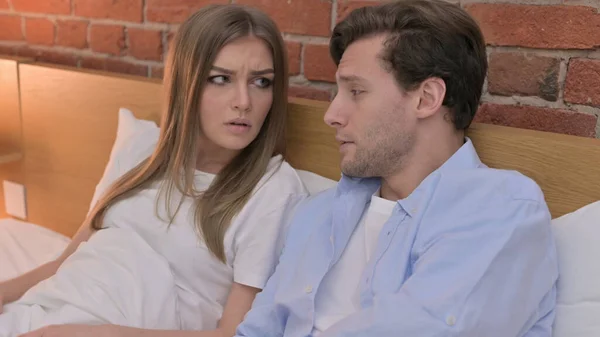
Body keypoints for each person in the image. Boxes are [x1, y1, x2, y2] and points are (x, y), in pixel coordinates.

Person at [234, 1, 559, 336]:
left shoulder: (502, 210)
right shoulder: (317, 214)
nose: (331, 114)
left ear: (427, 97)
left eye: (356, 91)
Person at [0, 4, 308, 337]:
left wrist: (90, 333)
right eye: (221, 79)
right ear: (184, 84)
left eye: (261, 82)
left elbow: (233, 334)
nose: (244, 101)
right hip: (39, 315)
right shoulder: (141, 152)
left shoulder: (272, 192)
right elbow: (63, 264)